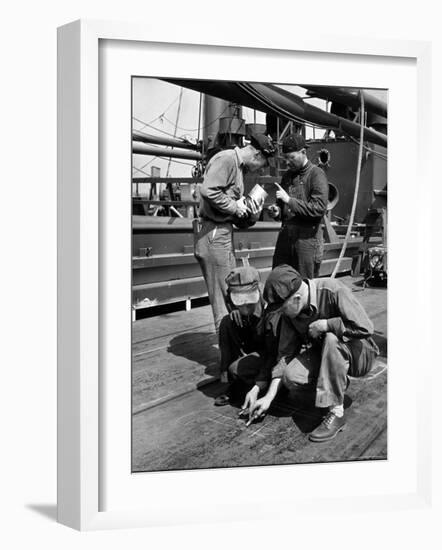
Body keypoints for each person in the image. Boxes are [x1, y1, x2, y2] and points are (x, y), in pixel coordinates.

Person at [248, 264, 379, 442]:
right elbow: (285, 356)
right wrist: (268, 398)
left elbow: (365, 327)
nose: (281, 313)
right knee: (291, 376)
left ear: (297, 298)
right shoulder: (291, 314)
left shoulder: (333, 290)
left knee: (332, 339)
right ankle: (336, 382)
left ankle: (337, 412)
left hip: (360, 354)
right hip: (327, 355)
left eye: (282, 308)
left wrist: (327, 325)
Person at [194, 134, 276, 334]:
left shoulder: (236, 166)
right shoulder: (228, 159)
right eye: (263, 164)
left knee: (230, 291)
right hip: (213, 233)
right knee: (223, 297)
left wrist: (249, 210)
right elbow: (209, 190)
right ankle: (228, 354)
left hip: (221, 232)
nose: (261, 169)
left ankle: (230, 346)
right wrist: (234, 207)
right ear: (257, 154)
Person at [214, 266, 279, 409]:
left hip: (271, 355)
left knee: (236, 369)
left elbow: (274, 352)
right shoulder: (235, 307)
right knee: (226, 323)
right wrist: (234, 311)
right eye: (240, 301)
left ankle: (268, 386)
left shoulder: (271, 310)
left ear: (258, 291)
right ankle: (231, 384)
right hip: (252, 350)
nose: (245, 306)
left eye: (249, 301)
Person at [268, 133, 329, 278]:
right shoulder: (287, 176)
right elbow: (283, 207)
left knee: (304, 287)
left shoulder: (316, 174)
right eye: (285, 159)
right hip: (286, 238)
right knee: (278, 279)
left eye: (291, 158)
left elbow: (319, 208)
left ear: (303, 152)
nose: (287, 163)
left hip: (307, 241)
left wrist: (289, 201)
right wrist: (277, 212)